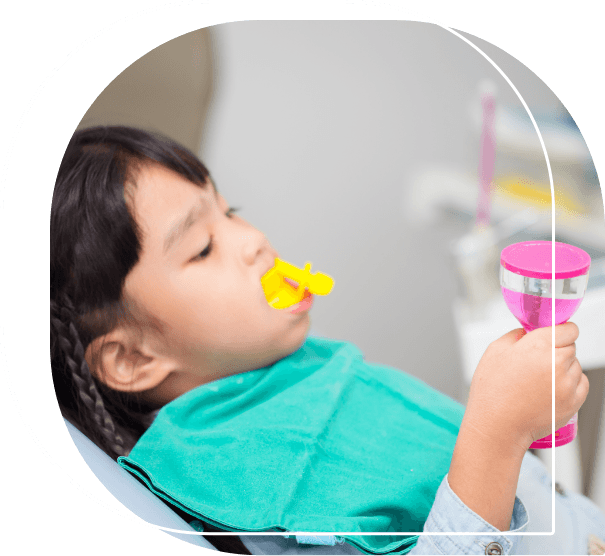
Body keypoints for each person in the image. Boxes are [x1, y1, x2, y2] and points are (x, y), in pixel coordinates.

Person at [50, 126, 605, 555]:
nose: (254, 241)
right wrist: (497, 433)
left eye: (231, 212)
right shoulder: (252, 484)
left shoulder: (293, 374)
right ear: (132, 356)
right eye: (201, 247)